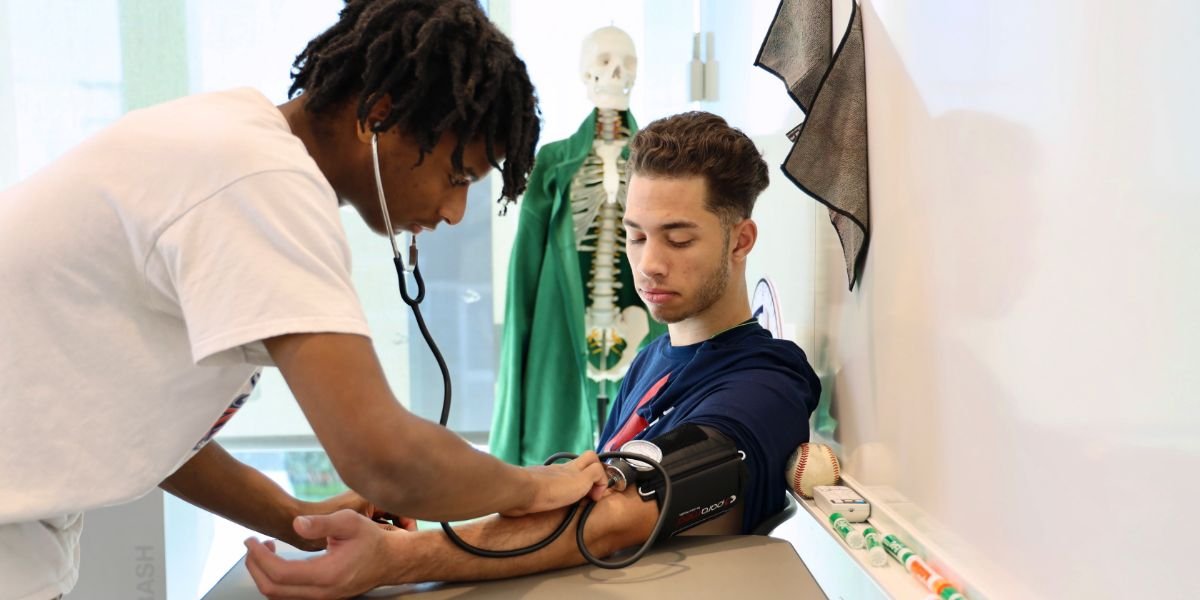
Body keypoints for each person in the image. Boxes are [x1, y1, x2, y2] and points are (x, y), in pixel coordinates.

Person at [0, 2, 609, 599]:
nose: (453, 213)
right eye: (457, 178)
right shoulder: (259, 182)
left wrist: (296, 517)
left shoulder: (230, 146)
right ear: (378, 115)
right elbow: (385, 458)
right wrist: (532, 487)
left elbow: (136, 426)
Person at [243, 111, 821, 599]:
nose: (648, 265)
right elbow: (589, 495)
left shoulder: (767, 382)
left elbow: (620, 515)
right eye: (636, 236)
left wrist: (400, 558)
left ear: (741, 241)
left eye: (679, 238)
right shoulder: (650, 360)